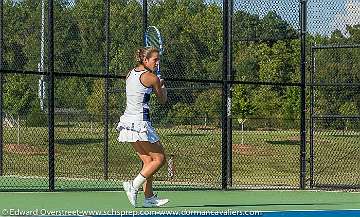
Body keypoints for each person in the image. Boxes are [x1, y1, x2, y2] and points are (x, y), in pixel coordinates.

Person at [116, 47, 168, 208]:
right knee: (159, 159)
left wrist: (157, 81)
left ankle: (149, 197)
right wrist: (162, 86)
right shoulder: (152, 78)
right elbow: (163, 100)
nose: (157, 62)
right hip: (140, 123)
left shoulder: (130, 73)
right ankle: (133, 185)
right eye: (155, 60)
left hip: (127, 123)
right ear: (145, 61)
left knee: (148, 162)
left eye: (158, 59)